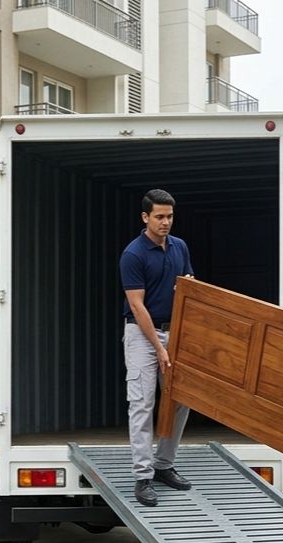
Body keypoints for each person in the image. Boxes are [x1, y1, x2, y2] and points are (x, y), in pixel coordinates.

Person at [119, 189, 193, 507]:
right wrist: (159, 348)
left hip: (175, 331)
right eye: (159, 216)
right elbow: (138, 307)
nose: (166, 222)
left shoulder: (180, 247)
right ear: (145, 217)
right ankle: (143, 476)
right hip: (141, 334)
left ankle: (164, 465)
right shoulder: (133, 254)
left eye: (170, 216)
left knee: (180, 400)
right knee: (142, 403)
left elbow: (188, 288)